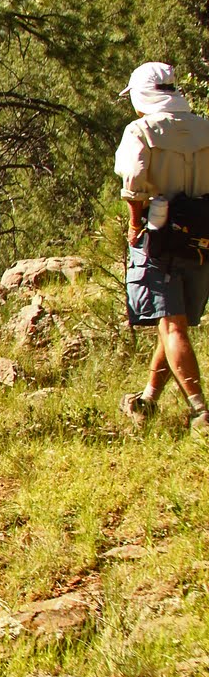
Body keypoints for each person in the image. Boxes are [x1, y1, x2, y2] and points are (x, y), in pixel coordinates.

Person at [113, 61, 209, 435]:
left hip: (161, 236)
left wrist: (135, 223)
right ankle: (149, 400)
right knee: (175, 323)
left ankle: (201, 411)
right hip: (202, 236)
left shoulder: (141, 130)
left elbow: (134, 181)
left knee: (171, 325)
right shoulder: (204, 127)